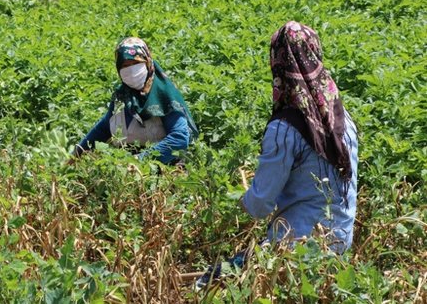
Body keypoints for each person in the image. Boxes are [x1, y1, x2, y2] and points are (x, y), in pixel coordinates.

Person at [196, 21, 359, 288]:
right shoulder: (344, 120)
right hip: (340, 244)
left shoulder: (284, 129)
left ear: (278, 65)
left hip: (295, 251)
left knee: (209, 283)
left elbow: (260, 205)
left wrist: (239, 198)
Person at [72, 37, 198, 165]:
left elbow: (180, 138)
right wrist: (76, 155)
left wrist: (139, 161)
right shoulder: (122, 97)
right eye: (125, 65)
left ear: (147, 62)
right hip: (128, 171)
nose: (131, 70)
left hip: (166, 170)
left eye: (136, 63)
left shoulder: (164, 95)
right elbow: (104, 128)